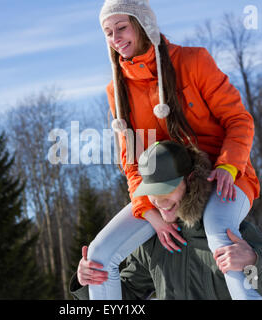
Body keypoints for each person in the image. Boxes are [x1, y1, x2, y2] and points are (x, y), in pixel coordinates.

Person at [86, 0, 260, 300]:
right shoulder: (117, 90)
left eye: (122, 28)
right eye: (108, 33)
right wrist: (149, 213)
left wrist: (228, 166)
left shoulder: (193, 61)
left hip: (220, 174)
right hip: (160, 185)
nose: (116, 38)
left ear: (142, 25)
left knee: (220, 235)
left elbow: (239, 120)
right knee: (99, 256)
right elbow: (130, 161)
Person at [70, 141, 262, 300]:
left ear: (190, 179)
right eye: (152, 192)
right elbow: (127, 295)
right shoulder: (151, 244)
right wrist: (89, 280)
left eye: (166, 189)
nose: (160, 201)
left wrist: (255, 263)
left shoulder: (231, 233)